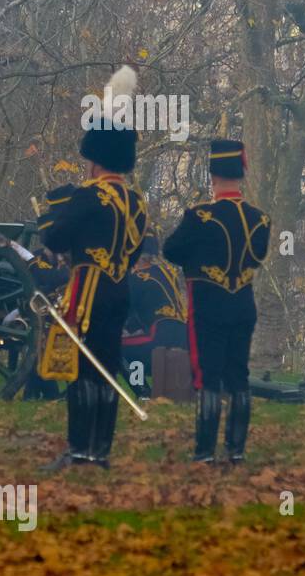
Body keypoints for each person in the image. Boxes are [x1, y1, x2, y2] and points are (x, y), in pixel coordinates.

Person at [41, 67, 148, 469]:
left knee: (83, 372)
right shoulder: (138, 202)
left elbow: (54, 239)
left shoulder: (88, 196)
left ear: (95, 161)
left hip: (86, 293)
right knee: (107, 370)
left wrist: (68, 246)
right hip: (120, 294)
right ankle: (100, 451)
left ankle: (79, 449)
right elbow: (135, 252)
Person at [162, 140, 270, 463]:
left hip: (209, 307)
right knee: (239, 375)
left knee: (208, 377)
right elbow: (258, 256)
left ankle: (205, 451)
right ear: (241, 173)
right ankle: (236, 451)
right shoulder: (260, 219)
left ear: (212, 176)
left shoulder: (200, 216)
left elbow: (171, 250)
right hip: (243, 306)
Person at [21, 185, 73, 400]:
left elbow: (61, 278)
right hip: (40, 313)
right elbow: (43, 280)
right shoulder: (37, 259)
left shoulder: (71, 258)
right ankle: (43, 394)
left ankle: (38, 394)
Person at [121, 231, 187, 396]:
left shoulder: (136, 277)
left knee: (117, 348)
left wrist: (125, 328)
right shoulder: (167, 272)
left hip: (160, 336)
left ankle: (141, 390)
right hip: (183, 334)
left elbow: (124, 310)